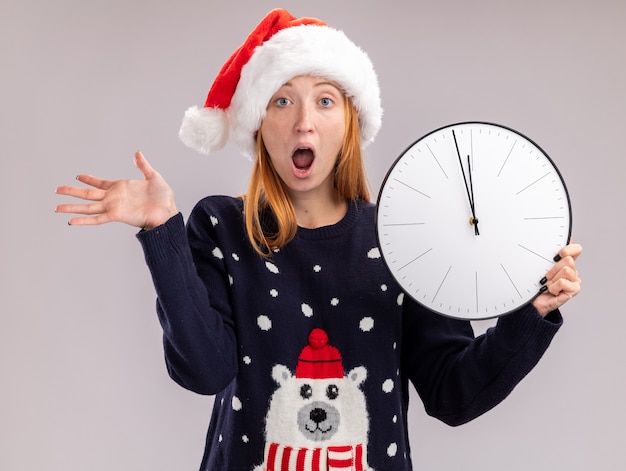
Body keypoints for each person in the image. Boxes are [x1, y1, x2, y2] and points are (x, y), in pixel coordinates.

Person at [55, 8, 582, 471]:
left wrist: (531, 313)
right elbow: (204, 368)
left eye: (325, 101)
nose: (304, 121)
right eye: (282, 101)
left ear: (350, 122)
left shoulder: (403, 237)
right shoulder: (220, 227)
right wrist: (162, 231)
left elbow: (454, 393)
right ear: (260, 124)